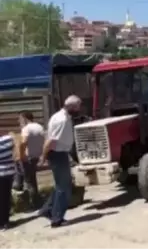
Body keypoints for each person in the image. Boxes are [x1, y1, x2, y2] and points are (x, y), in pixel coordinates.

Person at [39, 95, 80, 228]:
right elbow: (50, 141)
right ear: (71, 107)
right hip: (57, 154)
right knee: (64, 187)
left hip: (60, 153)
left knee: (60, 185)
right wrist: (43, 157)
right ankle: (57, 219)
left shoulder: (61, 116)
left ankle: (47, 210)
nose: (79, 109)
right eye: (77, 106)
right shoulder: (61, 120)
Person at [15, 111, 44, 210]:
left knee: (29, 182)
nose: (19, 121)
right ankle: (37, 201)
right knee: (33, 180)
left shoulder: (26, 129)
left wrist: (21, 156)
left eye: (20, 119)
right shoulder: (39, 127)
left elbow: (23, 143)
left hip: (28, 158)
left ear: (25, 118)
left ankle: (33, 203)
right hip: (36, 157)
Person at [0, 132, 17, 231]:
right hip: (9, 173)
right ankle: (5, 221)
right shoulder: (6, 140)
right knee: (6, 198)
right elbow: (14, 136)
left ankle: (2, 223)